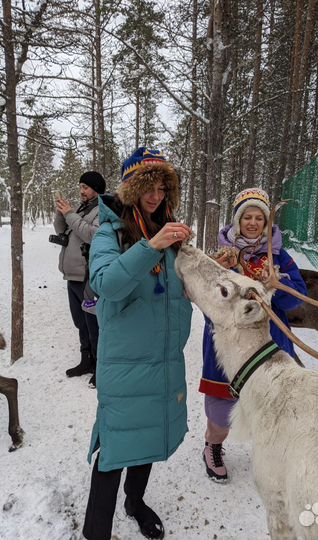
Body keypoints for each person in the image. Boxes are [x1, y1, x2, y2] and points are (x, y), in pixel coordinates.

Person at [82, 147, 193, 540]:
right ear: (131, 188)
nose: (156, 195)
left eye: (164, 187)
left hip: (164, 361)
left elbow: (188, 286)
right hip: (126, 364)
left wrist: (219, 268)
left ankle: (135, 501)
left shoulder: (171, 232)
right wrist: (151, 246)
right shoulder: (109, 234)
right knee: (114, 449)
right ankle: (95, 531)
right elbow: (106, 284)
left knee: (148, 437)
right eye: (148, 186)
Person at [199, 187, 307, 482]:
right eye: (247, 216)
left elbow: (299, 298)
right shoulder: (221, 255)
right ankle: (214, 444)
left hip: (269, 344)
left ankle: (273, 453)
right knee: (222, 404)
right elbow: (206, 301)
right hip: (228, 343)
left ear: (267, 222)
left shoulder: (280, 257)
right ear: (237, 221)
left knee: (274, 403)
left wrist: (278, 287)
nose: (253, 222)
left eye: (259, 217)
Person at [53, 171, 106, 385]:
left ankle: (101, 367)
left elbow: (92, 235)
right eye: (80, 187)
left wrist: (70, 215)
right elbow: (62, 230)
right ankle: (87, 360)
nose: (81, 191)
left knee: (94, 324)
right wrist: (61, 213)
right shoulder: (83, 208)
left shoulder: (102, 209)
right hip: (73, 275)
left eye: (85, 187)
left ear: (96, 189)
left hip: (88, 276)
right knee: (80, 322)